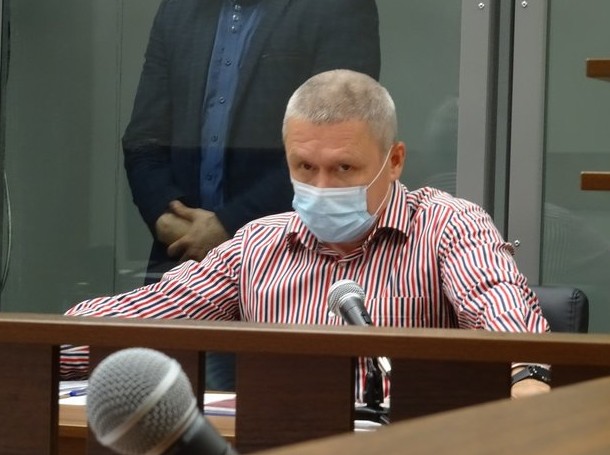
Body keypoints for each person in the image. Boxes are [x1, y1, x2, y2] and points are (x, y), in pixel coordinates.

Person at [62, 69, 550, 400]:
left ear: (395, 160)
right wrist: (45, 348)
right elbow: (145, 315)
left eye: (344, 168)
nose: (322, 186)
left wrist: (527, 376)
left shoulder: (447, 225)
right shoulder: (258, 245)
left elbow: (502, 312)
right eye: (305, 167)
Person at [123, 0, 380, 388]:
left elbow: (335, 146)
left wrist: (228, 227)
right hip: (180, 266)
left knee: (275, 416)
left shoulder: (337, 7)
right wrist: (166, 218)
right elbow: (144, 140)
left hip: (287, 273)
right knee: (159, 418)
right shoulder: (178, 10)